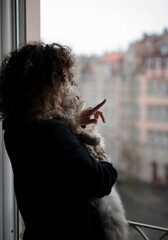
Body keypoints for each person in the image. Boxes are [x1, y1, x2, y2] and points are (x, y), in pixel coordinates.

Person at [0, 42, 118, 240]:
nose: (67, 88)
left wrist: (73, 122)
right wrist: (102, 156)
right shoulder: (52, 132)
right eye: (63, 81)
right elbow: (101, 182)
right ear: (47, 88)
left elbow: (54, 165)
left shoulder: (13, 128)